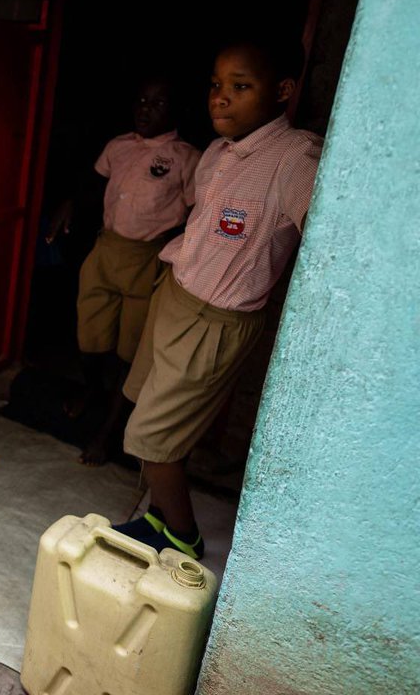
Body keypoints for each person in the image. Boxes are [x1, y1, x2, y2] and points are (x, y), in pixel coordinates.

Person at [111, 37, 322, 559]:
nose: (221, 98)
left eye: (241, 87)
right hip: (176, 295)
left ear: (282, 92)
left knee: (150, 436)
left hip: (216, 318)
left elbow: (324, 242)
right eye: (216, 86)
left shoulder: (295, 157)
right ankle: (159, 521)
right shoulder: (216, 153)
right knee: (148, 407)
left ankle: (184, 538)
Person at [46, 75, 201, 465]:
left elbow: (197, 212)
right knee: (90, 335)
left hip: (148, 257)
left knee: (130, 352)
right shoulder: (119, 146)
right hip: (106, 248)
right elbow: (94, 183)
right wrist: (70, 203)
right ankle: (92, 389)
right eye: (141, 100)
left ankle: (108, 430)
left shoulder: (186, 158)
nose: (145, 109)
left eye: (158, 103)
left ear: (176, 111)